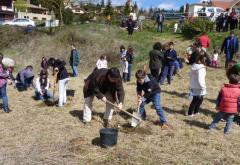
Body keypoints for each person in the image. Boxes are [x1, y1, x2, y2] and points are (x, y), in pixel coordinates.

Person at [208, 64, 240, 134]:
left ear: (229, 81)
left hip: (222, 108)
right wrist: (238, 110)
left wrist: (217, 106)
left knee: (217, 118)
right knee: (230, 120)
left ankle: (211, 127)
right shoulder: (239, 91)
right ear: (238, 82)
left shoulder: (223, 89)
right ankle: (226, 131)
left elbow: (219, 99)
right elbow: (239, 102)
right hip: (232, 110)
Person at [187, 51, 207, 116]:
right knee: (196, 99)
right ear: (203, 58)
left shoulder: (194, 66)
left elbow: (190, 75)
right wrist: (203, 87)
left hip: (194, 85)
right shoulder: (201, 68)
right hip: (199, 86)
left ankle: (196, 111)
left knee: (199, 99)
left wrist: (191, 84)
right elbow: (200, 79)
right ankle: (190, 113)